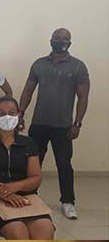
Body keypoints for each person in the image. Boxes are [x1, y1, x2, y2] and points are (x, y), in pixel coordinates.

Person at [19, 28, 90, 220]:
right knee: (33, 162)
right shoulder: (39, 64)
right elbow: (28, 90)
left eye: (65, 39)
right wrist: (20, 113)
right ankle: (30, 196)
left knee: (64, 164)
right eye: (57, 38)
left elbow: (83, 97)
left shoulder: (78, 66)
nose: (60, 41)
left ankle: (68, 202)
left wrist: (77, 123)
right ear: (51, 40)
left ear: (70, 42)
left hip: (63, 126)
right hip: (39, 123)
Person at [0, 96, 54, 240]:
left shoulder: (28, 143)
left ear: (18, 115)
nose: (7, 117)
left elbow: (36, 178)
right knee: (18, 232)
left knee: (45, 229)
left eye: (12, 113)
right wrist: (4, 193)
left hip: (25, 197)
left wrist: (15, 187)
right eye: (1, 113)